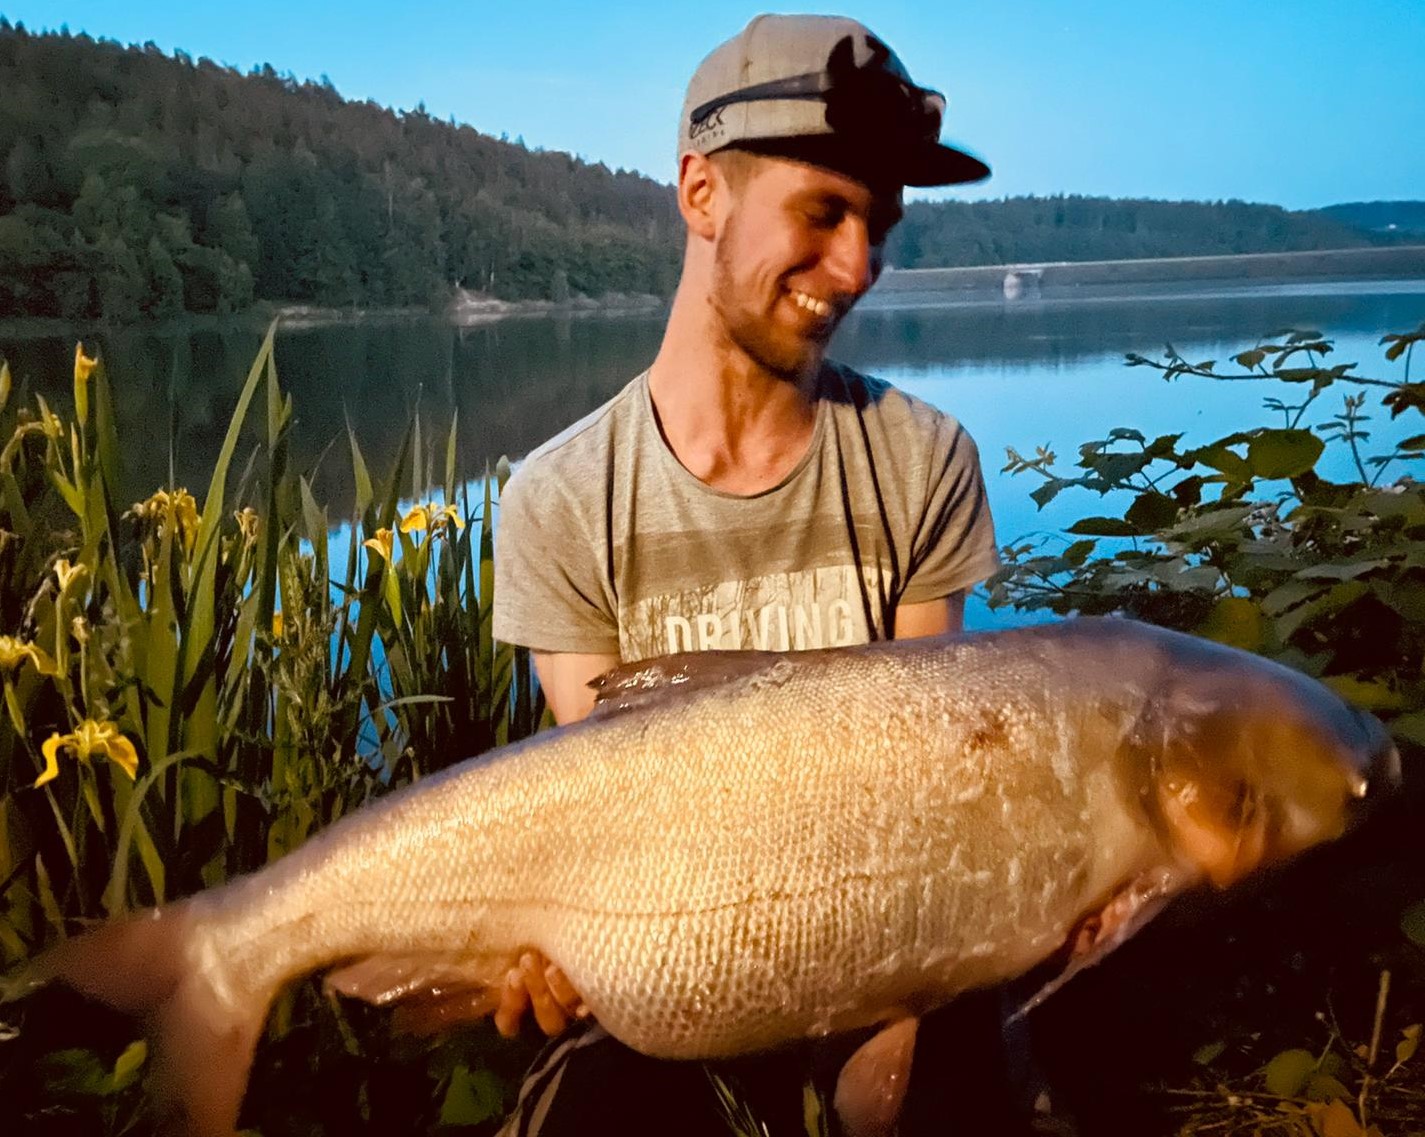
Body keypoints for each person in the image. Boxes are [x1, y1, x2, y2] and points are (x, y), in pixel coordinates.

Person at [490, 13, 1000, 1135]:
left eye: (880, 223)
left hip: (885, 953)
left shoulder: (924, 461)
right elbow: (620, 820)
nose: (859, 265)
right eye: (823, 211)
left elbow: (929, 803)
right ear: (701, 195)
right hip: (669, 978)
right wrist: (548, 934)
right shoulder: (561, 499)